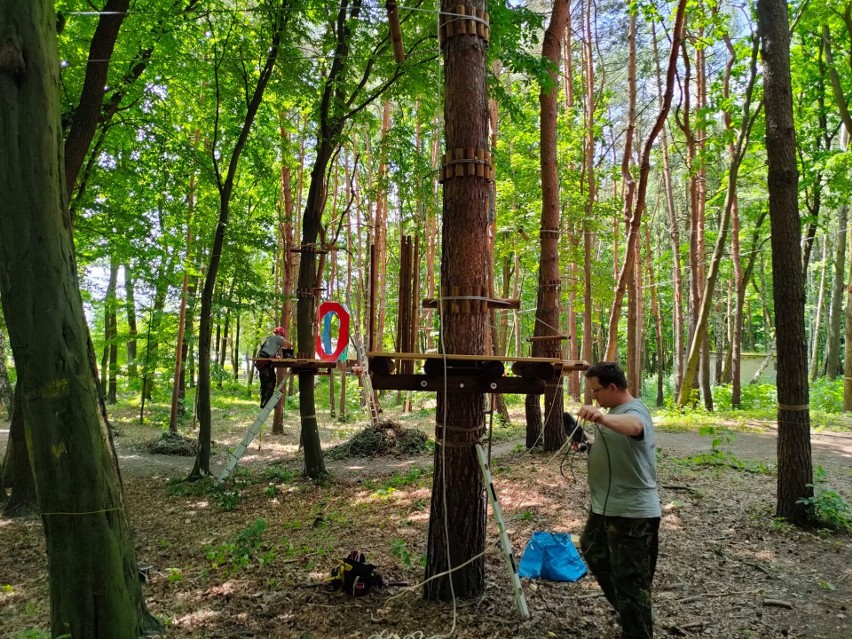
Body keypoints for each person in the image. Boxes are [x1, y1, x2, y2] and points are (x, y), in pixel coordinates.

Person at [577, 361, 661, 639]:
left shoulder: (633, 410)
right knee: (592, 548)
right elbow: (616, 441)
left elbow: (634, 427)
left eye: (596, 391)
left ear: (613, 387)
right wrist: (587, 441)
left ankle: (637, 627)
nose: (594, 397)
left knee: (631, 582)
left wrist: (600, 417)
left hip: (631, 514)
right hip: (606, 509)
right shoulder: (615, 413)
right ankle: (629, 612)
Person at [255, 327, 292, 407]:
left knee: (265, 382)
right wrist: (288, 353)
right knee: (270, 381)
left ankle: (264, 402)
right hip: (265, 362)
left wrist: (276, 356)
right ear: (282, 334)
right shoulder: (278, 338)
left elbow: (268, 351)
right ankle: (266, 402)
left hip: (262, 361)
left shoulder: (270, 339)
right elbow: (289, 345)